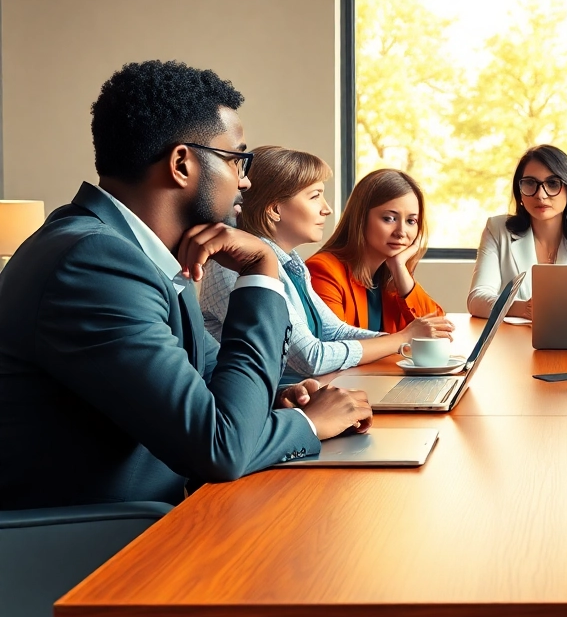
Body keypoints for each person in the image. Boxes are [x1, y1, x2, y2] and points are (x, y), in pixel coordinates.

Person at [0, 60, 372, 511]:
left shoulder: (144, 252)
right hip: (96, 548)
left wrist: (278, 397)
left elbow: (210, 382)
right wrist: (262, 268)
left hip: (158, 518)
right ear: (182, 164)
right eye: (238, 160)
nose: (246, 180)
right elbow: (220, 447)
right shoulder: (93, 263)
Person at [201, 146, 453, 382]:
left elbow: (334, 331)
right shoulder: (234, 265)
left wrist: (404, 341)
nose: (327, 209)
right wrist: (403, 339)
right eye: (315, 197)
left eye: (411, 221)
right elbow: (312, 358)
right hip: (249, 411)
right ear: (275, 209)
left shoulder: (292, 264)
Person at [467, 144, 567, 319]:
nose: (541, 195)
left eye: (552, 183)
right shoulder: (498, 229)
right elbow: (476, 300)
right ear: (519, 193)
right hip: (512, 341)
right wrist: (523, 308)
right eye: (530, 183)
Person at [306, 169, 445, 332]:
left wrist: (400, 267)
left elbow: (438, 330)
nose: (401, 231)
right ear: (361, 218)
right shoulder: (323, 270)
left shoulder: (391, 278)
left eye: (411, 221)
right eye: (389, 218)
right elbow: (336, 349)